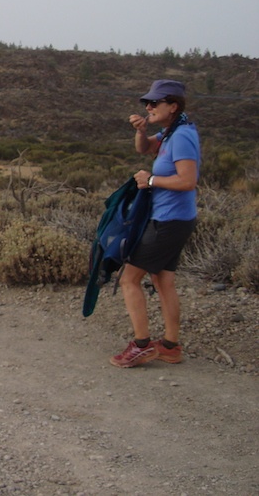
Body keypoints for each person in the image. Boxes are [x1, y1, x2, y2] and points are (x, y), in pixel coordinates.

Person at [111, 79, 200, 368]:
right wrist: (141, 131)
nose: (149, 107)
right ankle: (171, 347)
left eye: (155, 103)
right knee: (163, 281)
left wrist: (149, 180)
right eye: (147, 103)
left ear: (173, 106)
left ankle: (141, 345)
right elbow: (145, 149)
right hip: (173, 220)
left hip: (168, 221)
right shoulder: (170, 132)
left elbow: (188, 181)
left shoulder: (182, 136)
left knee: (129, 279)